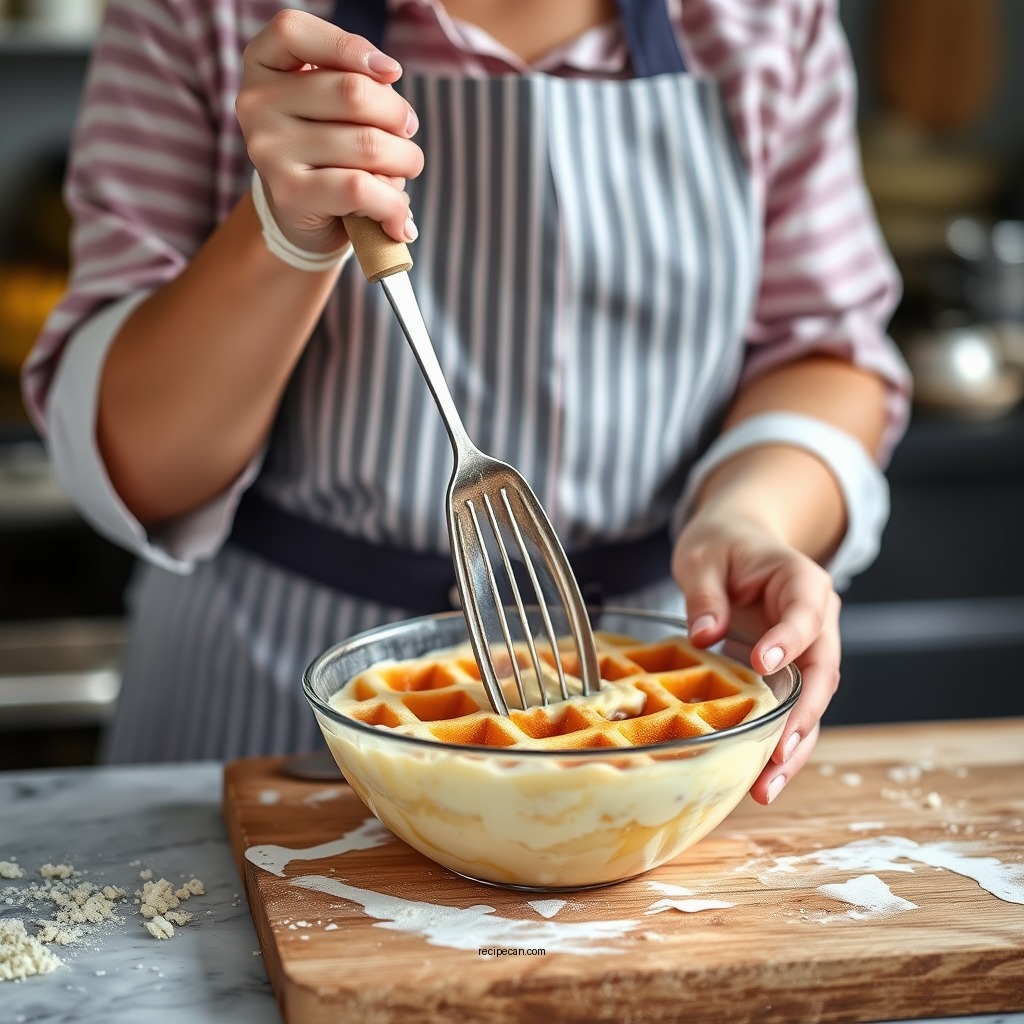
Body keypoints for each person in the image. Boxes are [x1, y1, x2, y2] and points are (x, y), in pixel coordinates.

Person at [23, 0, 910, 805]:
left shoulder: (767, 19)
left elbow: (823, 351)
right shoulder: (200, 14)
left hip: (658, 709)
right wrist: (280, 236)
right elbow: (142, 468)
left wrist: (752, 516)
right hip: (260, 719)